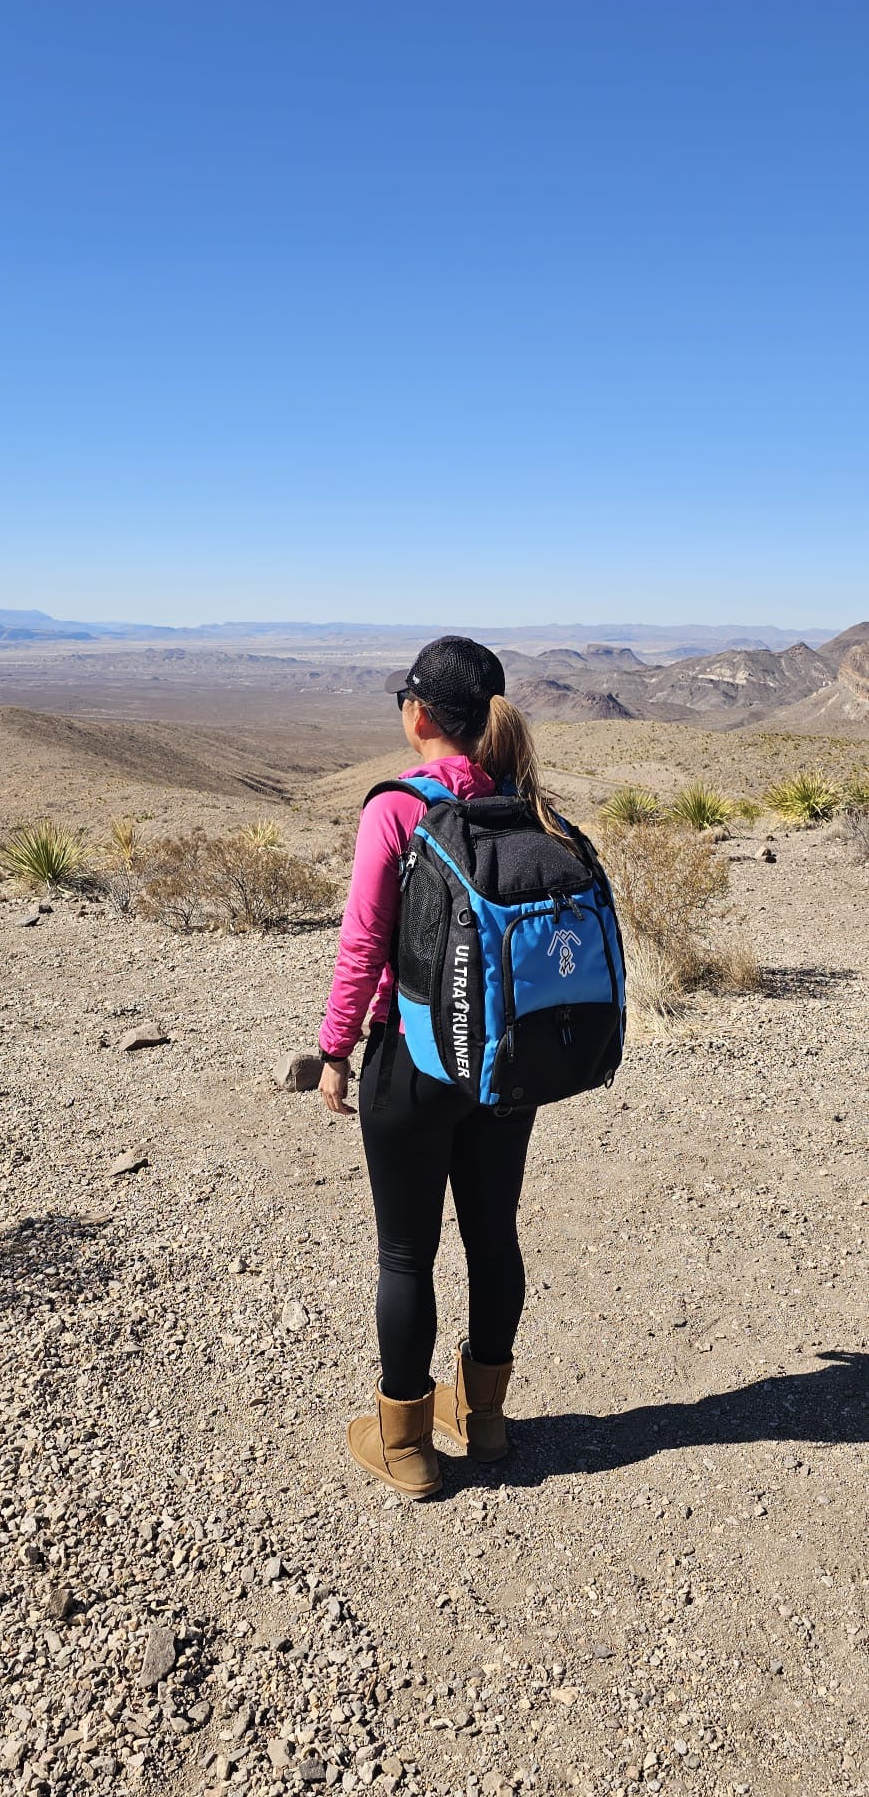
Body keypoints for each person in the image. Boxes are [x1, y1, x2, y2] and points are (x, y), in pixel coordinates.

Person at [318, 635, 565, 1500]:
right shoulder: (520, 805)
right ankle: (485, 1420)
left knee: (405, 1253)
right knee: (493, 1236)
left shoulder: (396, 808)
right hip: (502, 1059)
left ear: (418, 714)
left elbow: (362, 946)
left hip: (414, 1059)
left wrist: (334, 1051)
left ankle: (408, 1447)